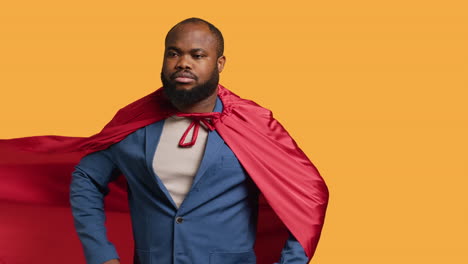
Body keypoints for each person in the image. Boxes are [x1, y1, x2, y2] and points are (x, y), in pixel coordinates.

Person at [70, 18, 328, 264]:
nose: (183, 62)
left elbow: (310, 194)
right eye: (173, 53)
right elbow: (86, 177)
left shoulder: (251, 123)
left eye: (197, 55)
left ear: (219, 63)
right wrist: (100, 253)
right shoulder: (134, 122)